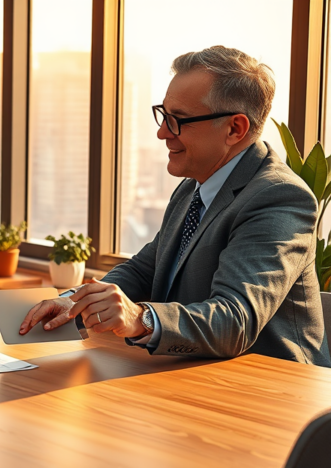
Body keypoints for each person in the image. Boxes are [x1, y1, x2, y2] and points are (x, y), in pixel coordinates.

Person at [20, 46, 331, 366]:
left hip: (273, 393)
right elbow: (145, 270)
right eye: (163, 115)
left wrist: (140, 318)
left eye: (177, 120)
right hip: (188, 374)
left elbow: (234, 321)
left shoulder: (279, 197)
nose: (162, 132)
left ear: (235, 129)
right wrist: (73, 303)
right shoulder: (192, 188)